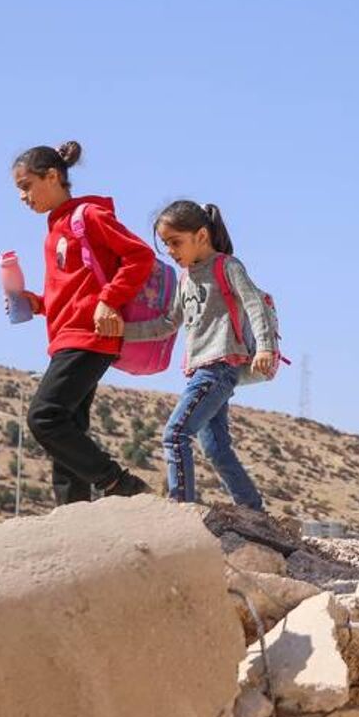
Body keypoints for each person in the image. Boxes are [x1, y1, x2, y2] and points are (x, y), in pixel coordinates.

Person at [9, 141, 154, 505]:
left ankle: (121, 484)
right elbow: (72, 287)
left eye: (26, 186)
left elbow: (140, 256)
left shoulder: (87, 215)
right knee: (68, 426)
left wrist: (109, 300)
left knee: (45, 417)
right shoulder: (55, 226)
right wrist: (38, 303)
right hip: (66, 336)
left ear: (53, 176)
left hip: (91, 335)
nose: (23, 197)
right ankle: (74, 513)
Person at [125, 200, 276, 509]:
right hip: (201, 371)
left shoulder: (227, 266)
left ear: (202, 236)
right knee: (216, 447)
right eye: (165, 244)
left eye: (175, 242)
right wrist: (122, 334)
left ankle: (180, 508)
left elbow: (255, 305)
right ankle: (253, 511)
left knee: (175, 434)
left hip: (219, 367)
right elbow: (167, 324)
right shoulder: (184, 280)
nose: (170, 251)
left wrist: (265, 346)